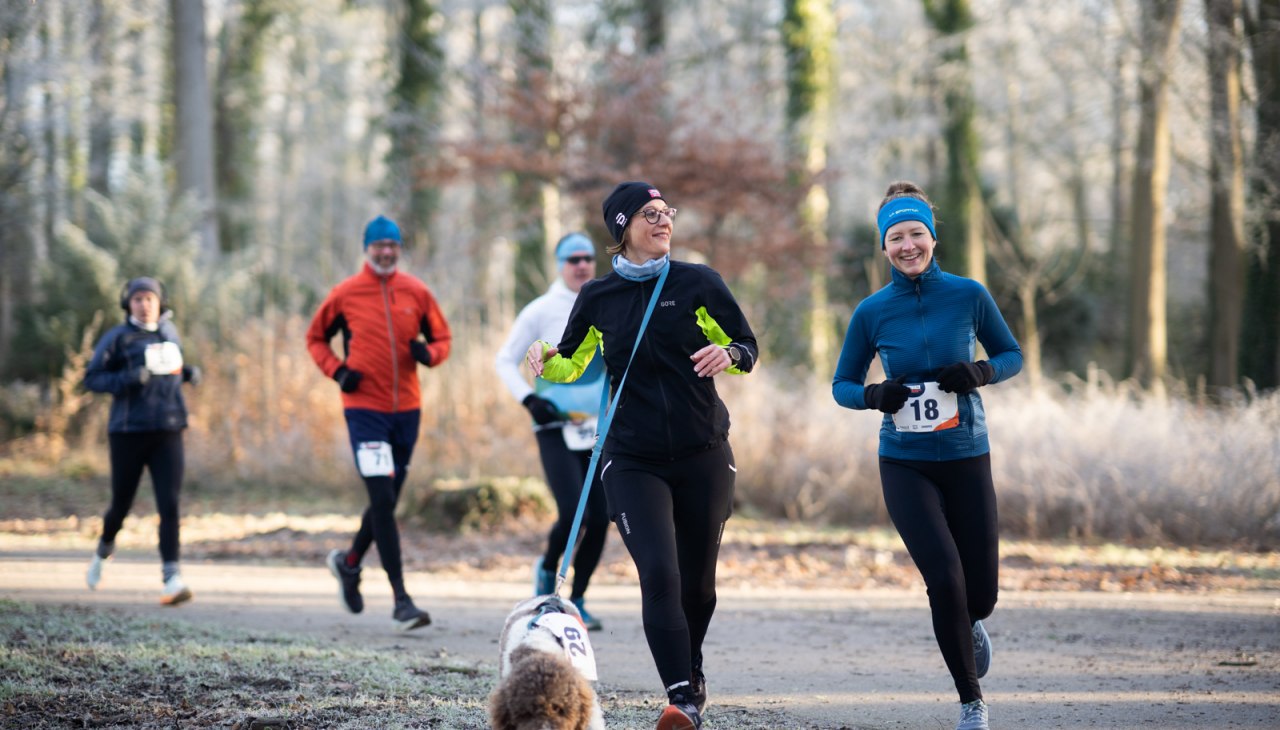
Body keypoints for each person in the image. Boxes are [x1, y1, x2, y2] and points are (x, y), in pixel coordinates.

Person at [527, 182, 758, 730]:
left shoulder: (698, 282)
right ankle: (682, 698)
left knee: (698, 583)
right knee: (659, 573)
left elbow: (747, 348)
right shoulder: (599, 297)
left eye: (667, 212)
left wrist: (728, 353)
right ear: (623, 228)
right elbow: (573, 362)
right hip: (632, 457)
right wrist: (544, 359)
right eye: (650, 215)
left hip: (703, 452)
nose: (663, 221)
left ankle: (691, 671)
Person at [832, 181, 1023, 730]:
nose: (908, 244)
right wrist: (874, 395)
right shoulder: (872, 311)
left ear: (932, 238)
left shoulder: (968, 295)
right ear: (884, 247)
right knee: (943, 577)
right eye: (896, 237)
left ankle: (972, 621)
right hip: (904, 461)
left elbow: (1011, 354)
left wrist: (981, 371)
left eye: (917, 233)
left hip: (967, 454)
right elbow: (842, 384)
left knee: (978, 592)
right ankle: (972, 702)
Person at [306, 214, 452, 632]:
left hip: (407, 410)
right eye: (378, 246)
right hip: (364, 409)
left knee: (386, 499)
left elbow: (443, 339)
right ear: (366, 249)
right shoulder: (346, 294)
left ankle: (349, 563)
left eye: (392, 246)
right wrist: (337, 370)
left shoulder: (417, 292)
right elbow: (315, 338)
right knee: (384, 501)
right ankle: (401, 600)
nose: (386, 253)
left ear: (399, 249)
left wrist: (431, 355)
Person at [494, 232, 610, 631]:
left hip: (598, 427)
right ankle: (547, 573)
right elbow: (505, 360)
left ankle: (578, 599)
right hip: (554, 426)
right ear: (560, 265)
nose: (581, 265)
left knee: (601, 515)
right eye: (573, 259)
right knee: (572, 511)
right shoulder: (540, 310)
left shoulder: (606, 302)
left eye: (588, 258)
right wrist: (530, 399)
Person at [83, 276, 202, 606]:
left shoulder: (169, 332)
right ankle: (104, 549)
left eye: (150, 298)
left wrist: (188, 373)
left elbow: (171, 371)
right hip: (128, 432)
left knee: (170, 503)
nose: (144, 304)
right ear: (128, 304)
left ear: (159, 302)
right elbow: (92, 378)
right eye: (137, 299)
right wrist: (127, 379)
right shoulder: (117, 338)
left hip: (168, 430)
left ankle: (171, 578)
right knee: (122, 503)